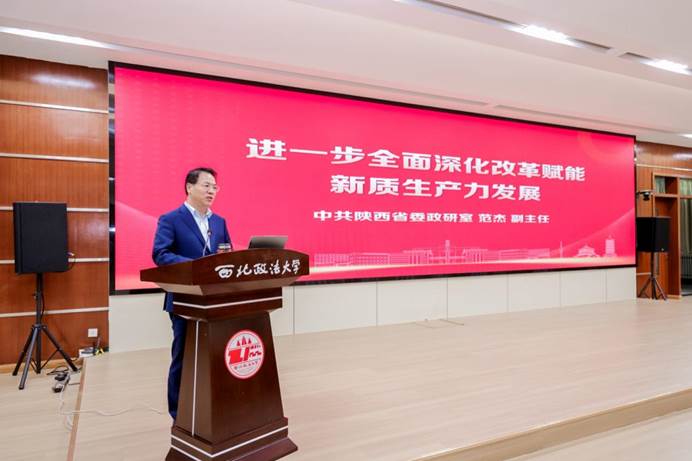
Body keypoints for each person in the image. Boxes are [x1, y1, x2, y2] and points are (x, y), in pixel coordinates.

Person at [152, 167, 232, 420]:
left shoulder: (219, 222)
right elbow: (161, 254)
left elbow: (226, 255)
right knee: (183, 356)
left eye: (214, 187)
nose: (212, 191)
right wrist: (197, 267)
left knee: (215, 356)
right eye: (206, 185)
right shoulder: (171, 219)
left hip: (214, 300)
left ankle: (211, 406)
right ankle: (179, 413)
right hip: (184, 300)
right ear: (189, 187)